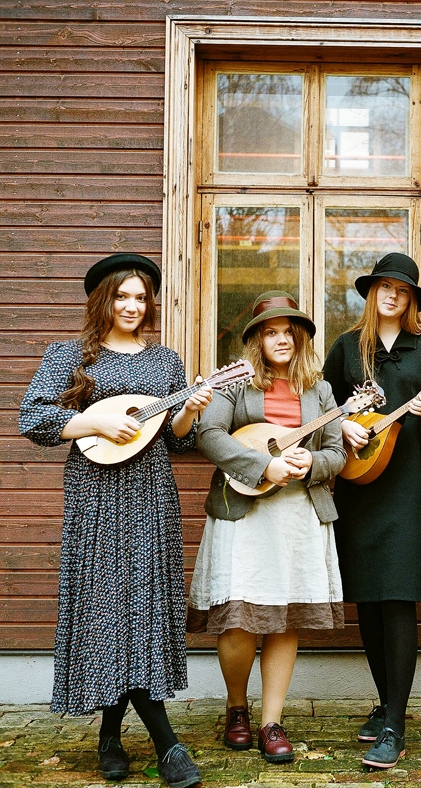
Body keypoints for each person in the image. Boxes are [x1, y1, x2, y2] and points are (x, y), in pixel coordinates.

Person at [18, 253, 212, 787]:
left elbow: (179, 438)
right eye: (121, 296)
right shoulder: (68, 357)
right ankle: (168, 744)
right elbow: (33, 419)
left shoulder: (165, 363)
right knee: (108, 612)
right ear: (103, 300)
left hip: (150, 494)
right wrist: (93, 418)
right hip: (96, 497)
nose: (132, 305)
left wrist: (191, 407)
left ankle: (109, 735)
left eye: (140, 297)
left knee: (142, 610)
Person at [187, 291, 346, 764]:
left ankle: (270, 721)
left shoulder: (319, 390)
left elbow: (337, 453)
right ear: (257, 340)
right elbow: (209, 436)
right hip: (244, 509)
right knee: (237, 617)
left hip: (298, 516)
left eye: (289, 332)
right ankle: (237, 707)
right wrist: (263, 466)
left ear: (300, 340)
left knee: (284, 617)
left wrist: (310, 460)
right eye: (271, 332)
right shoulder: (237, 383)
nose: (281, 339)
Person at [322, 253, 421, 769]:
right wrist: (342, 426)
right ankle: (384, 704)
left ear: (413, 299)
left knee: (398, 596)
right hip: (360, 483)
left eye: (403, 289)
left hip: (412, 482)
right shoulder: (347, 347)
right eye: (384, 287)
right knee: (369, 598)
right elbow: (323, 405)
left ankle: (395, 723)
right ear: (371, 293)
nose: (393, 295)